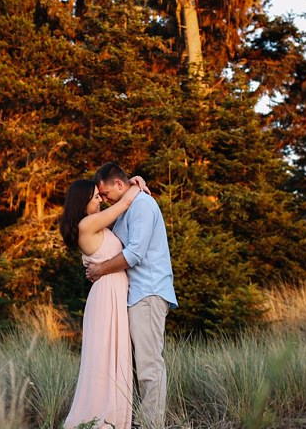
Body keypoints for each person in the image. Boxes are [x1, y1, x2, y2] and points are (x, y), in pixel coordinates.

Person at [86, 162, 177, 429]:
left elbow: (135, 254)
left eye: (104, 194)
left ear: (118, 184)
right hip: (135, 295)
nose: (103, 199)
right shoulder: (127, 207)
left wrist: (101, 269)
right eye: (99, 196)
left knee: (149, 365)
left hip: (148, 292)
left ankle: (151, 425)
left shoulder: (143, 206)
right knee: (138, 366)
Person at [59, 177, 144, 429]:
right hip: (107, 295)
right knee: (106, 357)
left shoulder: (95, 225)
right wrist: (135, 183)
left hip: (112, 292)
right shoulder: (87, 224)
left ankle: (113, 418)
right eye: (96, 196)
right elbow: (125, 203)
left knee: (113, 355)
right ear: (82, 201)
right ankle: (102, 419)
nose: (100, 199)